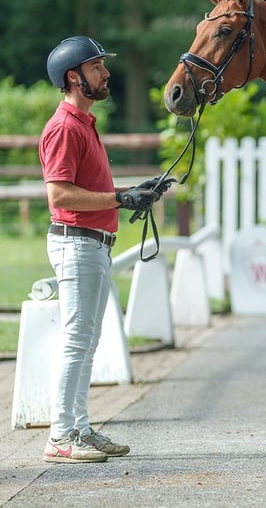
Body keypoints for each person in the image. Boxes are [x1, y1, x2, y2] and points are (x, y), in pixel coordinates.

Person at [39, 36, 170, 463]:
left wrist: (133, 192)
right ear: (73, 77)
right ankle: (61, 435)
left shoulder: (84, 123)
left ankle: (78, 427)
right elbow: (59, 195)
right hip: (77, 244)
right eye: (96, 67)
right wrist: (119, 199)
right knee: (78, 340)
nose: (106, 73)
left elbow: (88, 188)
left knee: (88, 340)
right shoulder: (64, 127)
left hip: (91, 245)